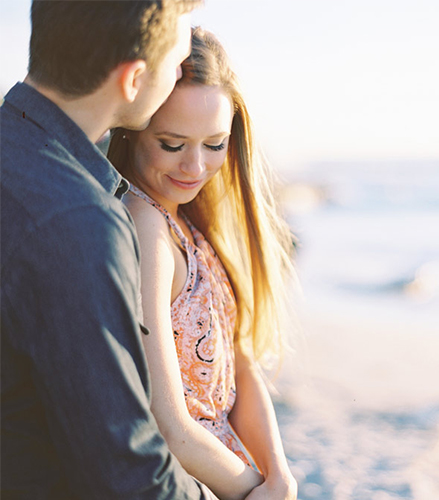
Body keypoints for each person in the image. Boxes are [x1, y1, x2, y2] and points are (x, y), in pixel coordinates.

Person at [0, 1, 222, 498]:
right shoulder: (77, 223)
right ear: (133, 79)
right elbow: (127, 473)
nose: (187, 58)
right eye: (179, 51)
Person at [106, 27, 298, 500]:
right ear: (133, 132)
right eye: (172, 144)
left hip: (230, 475)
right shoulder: (146, 227)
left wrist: (279, 474)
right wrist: (254, 488)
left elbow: (239, 360)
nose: (195, 168)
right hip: (190, 485)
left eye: (214, 144)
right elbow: (167, 424)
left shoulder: (188, 220)